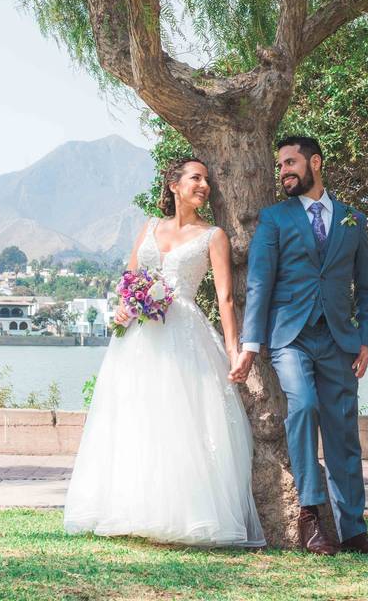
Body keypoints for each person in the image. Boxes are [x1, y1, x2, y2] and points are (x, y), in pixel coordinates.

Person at [63, 157, 265, 548]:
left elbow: (224, 298)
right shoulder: (149, 228)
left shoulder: (213, 236)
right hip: (138, 336)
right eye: (196, 178)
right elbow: (130, 278)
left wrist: (233, 351)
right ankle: (129, 509)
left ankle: (184, 514)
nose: (203, 185)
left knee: (182, 420)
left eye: (206, 180)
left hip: (184, 334)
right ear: (174, 185)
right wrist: (123, 308)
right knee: (136, 416)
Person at [230, 136, 368, 556]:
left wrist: (366, 341)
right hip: (291, 337)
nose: (283, 171)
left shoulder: (353, 219)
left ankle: (354, 530)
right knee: (302, 407)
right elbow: (260, 282)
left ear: (314, 162)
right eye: (279, 165)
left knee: (344, 433)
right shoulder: (274, 219)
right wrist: (251, 344)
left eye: (290, 163)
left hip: (340, 341)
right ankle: (310, 517)